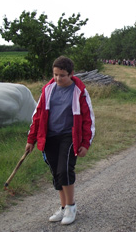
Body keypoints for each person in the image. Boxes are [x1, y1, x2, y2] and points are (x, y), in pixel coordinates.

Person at [25, 56, 95, 225]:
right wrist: (31, 139)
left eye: (62, 75)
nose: (58, 78)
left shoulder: (79, 92)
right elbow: (38, 116)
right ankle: (63, 207)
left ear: (71, 74)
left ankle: (71, 207)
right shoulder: (48, 90)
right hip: (49, 136)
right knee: (56, 172)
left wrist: (85, 143)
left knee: (64, 170)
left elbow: (88, 119)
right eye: (55, 74)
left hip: (69, 136)